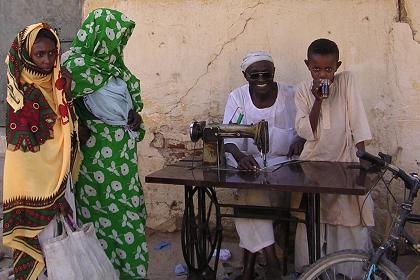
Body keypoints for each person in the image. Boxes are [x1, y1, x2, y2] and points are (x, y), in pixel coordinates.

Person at [63, 8, 148, 279]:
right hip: (93, 162)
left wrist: (135, 118)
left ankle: (131, 273)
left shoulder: (115, 70)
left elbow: (125, 107)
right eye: (116, 39)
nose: (119, 46)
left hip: (122, 160)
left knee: (129, 216)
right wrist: (78, 125)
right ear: (101, 36)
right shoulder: (73, 66)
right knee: (97, 220)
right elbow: (56, 108)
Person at [293, 38, 374, 275]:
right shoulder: (301, 91)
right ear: (308, 65)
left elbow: (357, 119)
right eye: (316, 69)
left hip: (344, 161)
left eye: (328, 69)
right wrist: (318, 100)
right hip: (313, 163)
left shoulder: (346, 81)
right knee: (313, 217)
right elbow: (305, 131)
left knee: (348, 216)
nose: (322, 74)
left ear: (337, 66)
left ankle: (349, 271)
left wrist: (361, 157)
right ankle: (313, 271)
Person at [3, 23, 77, 280]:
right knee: (45, 248)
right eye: (39, 54)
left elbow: (70, 135)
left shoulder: (56, 86)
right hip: (38, 191)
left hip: (61, 181)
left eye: (52, 53)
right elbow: (25, 160)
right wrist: (54, 197)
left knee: (63, 254)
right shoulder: (22, 96)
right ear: (26, 55)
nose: (47, 61)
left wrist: (66, 93)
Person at [223, 51, 305, 280]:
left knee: (248, 203)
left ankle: (250, 269)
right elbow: (228, 139)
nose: (261, 79)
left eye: (266, 74)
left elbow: (307, 126)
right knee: (253, 194)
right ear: (245, 75)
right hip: (249, 165)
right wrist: (240, 157)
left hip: (285, 166)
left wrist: (301, 138)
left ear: (274, 73)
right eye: (254, 75)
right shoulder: (238, 97)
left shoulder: (291, 94)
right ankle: (272, 262)